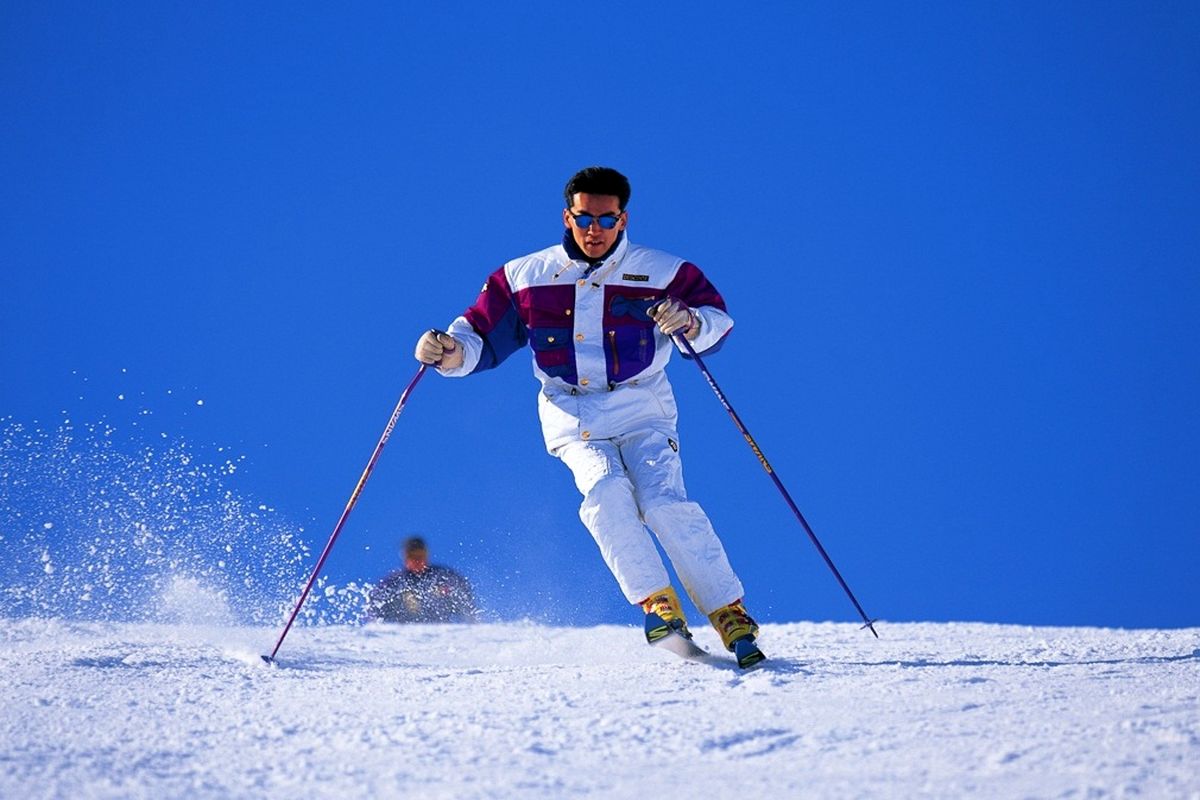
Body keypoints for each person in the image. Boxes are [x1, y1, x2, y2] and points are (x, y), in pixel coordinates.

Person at [414, 166, 763, 666]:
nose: (594, 230)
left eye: (606, 218)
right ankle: (657, 603)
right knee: (604, 492)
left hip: (643, 405)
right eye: (584, 218)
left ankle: (728, 612)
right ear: (567, 217)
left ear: (623, 219)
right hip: (571, 409)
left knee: (663, 502)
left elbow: (717, 323)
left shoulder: (663, 271)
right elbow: (479, 337)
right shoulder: (526, 276)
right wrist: (447, 351)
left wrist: (688, 320)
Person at [367, 537, 478, 623]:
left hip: (441, 630)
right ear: (405, 558)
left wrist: (471, 618)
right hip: (403, 632)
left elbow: (463, 593)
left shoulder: (441, 576)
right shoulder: (396, 581)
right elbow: (376, 603)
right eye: (412, 556)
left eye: (420, 556)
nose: (417, 560)